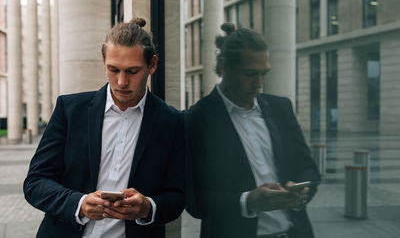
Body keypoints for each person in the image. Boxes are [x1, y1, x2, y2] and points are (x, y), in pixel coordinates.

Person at [24, 18, 184, 238]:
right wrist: (78, 204)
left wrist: (148, 207)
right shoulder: (70, 110)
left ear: (152, 65)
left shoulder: (171, 121)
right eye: (113, 69)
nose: (121, 82)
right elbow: (35, 183)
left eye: (132, 71)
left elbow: (177, 196)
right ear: (104, 63)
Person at [185, 23, 321, 238]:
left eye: (263, 74)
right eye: (250, 74)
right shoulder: (196, 119)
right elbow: (194, 200)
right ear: (223, 66)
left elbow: (308, 168)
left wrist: (301, 192)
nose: (259, 83)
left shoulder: (281, 108)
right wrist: (248, 201)